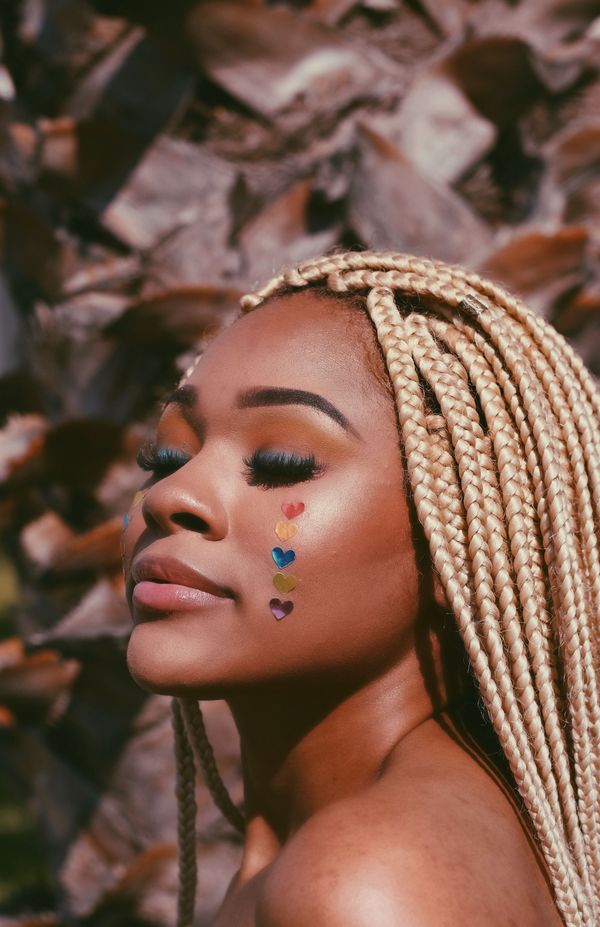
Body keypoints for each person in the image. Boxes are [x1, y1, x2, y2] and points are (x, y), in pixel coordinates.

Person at [121, 250, 600, 927]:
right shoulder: (332, 847)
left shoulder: (363, 881)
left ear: (454, 542)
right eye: (166, 455)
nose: (171, 494)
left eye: (280, 463)